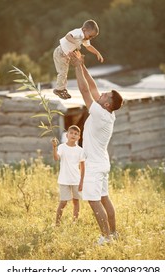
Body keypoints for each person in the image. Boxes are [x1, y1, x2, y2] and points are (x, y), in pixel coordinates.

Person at [69, 51, 123, 245]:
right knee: (104, 198)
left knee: (94, 201)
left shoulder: (100, 113)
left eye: (105, 95)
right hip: (102, 163)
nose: (101, 94)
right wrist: (82, 65)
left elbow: (85, 91)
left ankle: (106, 238)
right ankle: (114, 234)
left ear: (107, 103)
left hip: (94, 165)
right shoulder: (108, 112)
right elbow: (92, 86)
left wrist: (75, 67)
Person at [53, 19, 103, 100]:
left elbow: (88, 46)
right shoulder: (78, 32)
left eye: (92, 37)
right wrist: (75, 43)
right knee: (62, 72)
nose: (90, 38)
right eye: (90, 36)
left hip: (65, 56)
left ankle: (62, 89)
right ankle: (58, 90)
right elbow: (67, 36)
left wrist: (97, 53)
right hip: (60, 52)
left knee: (65, 73)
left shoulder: (84, 38)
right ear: (84, 29)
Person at [52, 125, 85, 225]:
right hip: (64, 180)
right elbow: (56, 158)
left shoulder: (80, 150)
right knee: (63, 202)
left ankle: (74, 222)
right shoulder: (62, 147)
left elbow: (83, 167)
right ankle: (57, 223)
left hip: (76, 180)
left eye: (76, 134)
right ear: (67, 135)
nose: (73, 135)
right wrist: (54, 147)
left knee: (76, 201)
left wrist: (82, 182)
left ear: (79, 137)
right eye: (71, 133)